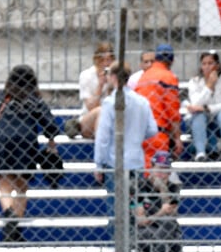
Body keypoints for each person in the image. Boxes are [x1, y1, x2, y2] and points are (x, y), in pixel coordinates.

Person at [0, 64, 60, 242]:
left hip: (4, 142)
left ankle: (9, 216)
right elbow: (51, 125)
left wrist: (0, 132)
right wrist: (50, 140)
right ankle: (14, 227)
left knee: (4, 183)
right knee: (22, 187)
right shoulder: (34, 99)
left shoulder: (2, 98)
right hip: (27, 143)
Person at [94, 62, 158, 233]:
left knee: (116, 210)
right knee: (134, 205)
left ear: (113, 77)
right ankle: (132, 250)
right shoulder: (142, 102)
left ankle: (118, 251)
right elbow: (152, 129)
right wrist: (136, 136)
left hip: (115, 162)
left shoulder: (110, 102)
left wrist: (98, 163)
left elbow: (103, 136)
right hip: (136, 162)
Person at [131, 149, 183, 252]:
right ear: (151, 168)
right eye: (158, 169)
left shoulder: (173, 187)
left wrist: (162, 189)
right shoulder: (139, 185)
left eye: (165, 170)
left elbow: (172, 214)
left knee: (171, 227)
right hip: (144, 232)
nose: (161, 174)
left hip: (165, 230)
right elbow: (141, 220)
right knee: (172, 236)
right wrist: (160, 212)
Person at [185, 51, 221, 161]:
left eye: (210, 63)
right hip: (199, 119)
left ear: (217, 65)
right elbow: (195, 104)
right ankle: (200, 152)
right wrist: (209, 86)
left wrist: (207, 108)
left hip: (220, 119)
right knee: (199, 115)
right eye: (204, 63)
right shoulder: (194, 81)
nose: (207, 67)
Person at [135, 43, 183, 169]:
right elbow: (172, 111)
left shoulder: (144, 77)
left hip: (139, 133)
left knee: (144, 173)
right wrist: (177, 138)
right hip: (159, 134)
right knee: (161, 173)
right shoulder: (169, 77)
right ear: (172, 61)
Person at [65, 42, 115, 140]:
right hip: (89, 119)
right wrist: (100, 86)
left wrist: (111, 85)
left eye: (109, 60)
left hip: (111, 118)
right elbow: (91, 107)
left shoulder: (115, 76)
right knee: (101, 111)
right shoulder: (86, 75)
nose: (105, 64)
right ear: (96, 60)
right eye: (102, 60)